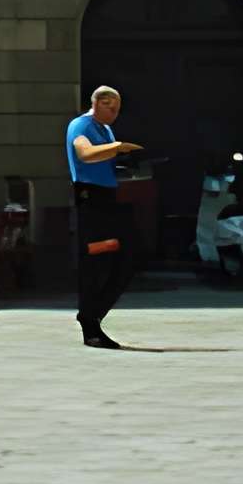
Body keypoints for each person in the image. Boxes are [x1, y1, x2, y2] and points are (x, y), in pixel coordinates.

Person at [65, 85, 142, 350]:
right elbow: (84, 153)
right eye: (111, 108)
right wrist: (117, 148)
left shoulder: (105, 130)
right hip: (90, 199)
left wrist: (125, 160)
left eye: (118, 110)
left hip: (107, 197)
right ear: (98, 103)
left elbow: (104, 160)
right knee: (96, 260)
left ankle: (92, 314)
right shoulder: (81, 125)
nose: (115, 114)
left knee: (127, 256)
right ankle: (90, 324)